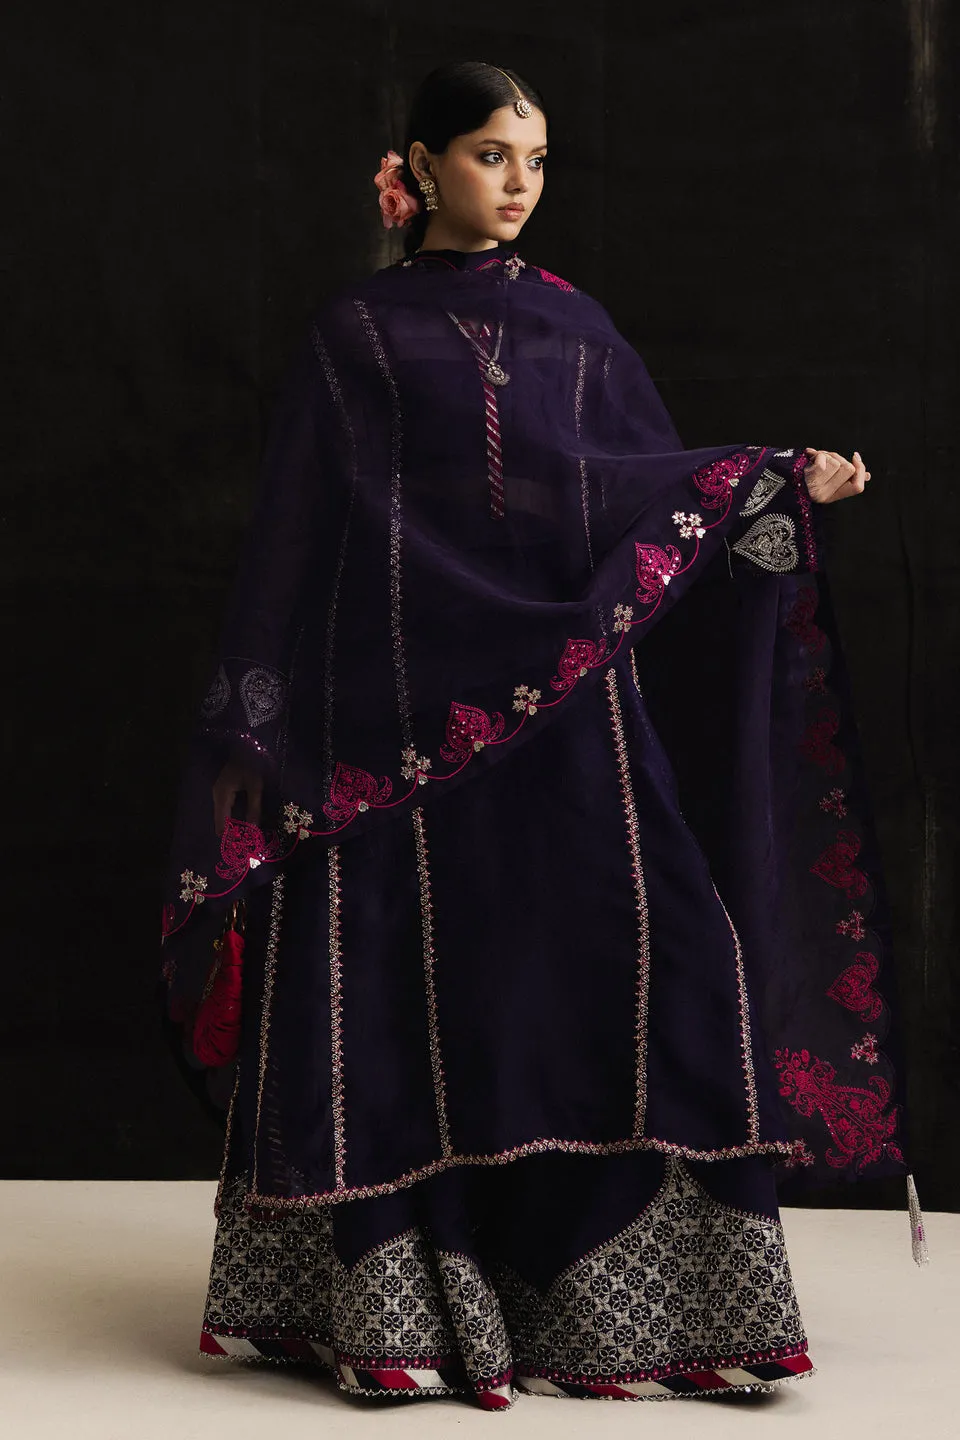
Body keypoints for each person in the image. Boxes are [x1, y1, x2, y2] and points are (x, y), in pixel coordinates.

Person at [160, 61, 924, 1411]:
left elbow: (635, 492)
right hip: (388, 734)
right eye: (489, 154)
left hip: (569, 720)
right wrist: (248, 732)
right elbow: (295, 533)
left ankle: (643, 1308)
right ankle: (395, 1307)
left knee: (650, 966)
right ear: (419, 166)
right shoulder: (355, 334)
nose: (518, 183)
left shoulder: (578, 330)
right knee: (393, 998)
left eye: (537, 159)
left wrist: (768, 484)